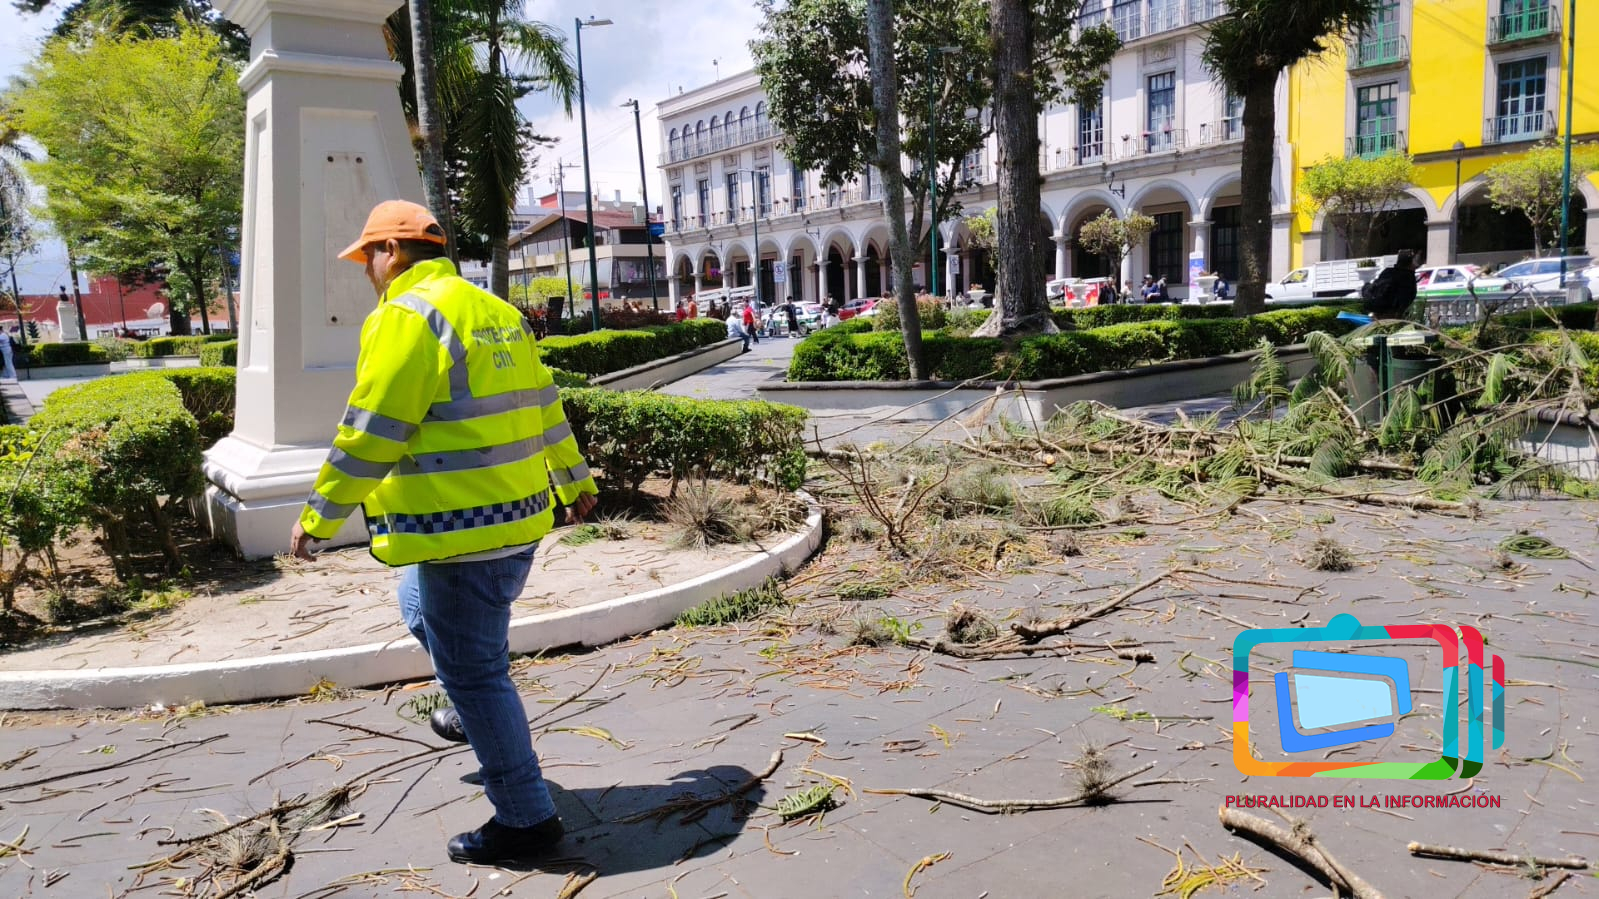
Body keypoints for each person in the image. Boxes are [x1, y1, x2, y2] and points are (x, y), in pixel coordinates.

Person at [288, 200, 598, 866]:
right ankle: (472, 705)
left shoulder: (406, 317)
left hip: (460, 533)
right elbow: (545, 403)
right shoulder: (497, 312)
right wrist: (573, 480)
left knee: (477, 673)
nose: (365, 271)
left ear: (390, 251)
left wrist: (318, 517)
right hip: (515, 519)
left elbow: (371, 431)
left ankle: (525, 817)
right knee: (418, 608)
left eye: (366, 257)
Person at [1363, 249, 1419, 318]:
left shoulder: (1387, 271)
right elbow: (1405, 299)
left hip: (1377, 311)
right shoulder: (1408, 277)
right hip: (1391, 314)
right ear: (1411, 262)